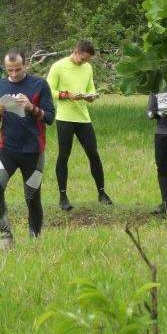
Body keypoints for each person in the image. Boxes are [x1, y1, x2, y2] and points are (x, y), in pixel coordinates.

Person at [0, 50, 55, 249]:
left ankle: (34, 240)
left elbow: (50, 117)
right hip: (7, 149)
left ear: (25, 65)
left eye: (18, 69)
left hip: (33, 151)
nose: (15, 74)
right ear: (5, 68)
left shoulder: (39, 84)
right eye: (10, 70)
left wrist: (31, 107)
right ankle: (6, 236)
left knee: (32, 197)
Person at [46, 40, 112, 211]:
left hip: (83, 118)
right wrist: (66, 95)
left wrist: (91, 96)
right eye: (82, 59)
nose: (84, 63)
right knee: (64, 155)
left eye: (87, 60)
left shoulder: (88, 68)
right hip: (65, 118)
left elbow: (91, 88)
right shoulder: (58, 66)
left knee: (93, 154)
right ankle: (63, 196)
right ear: (76, 51)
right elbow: (48, 91)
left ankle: (102, 193)